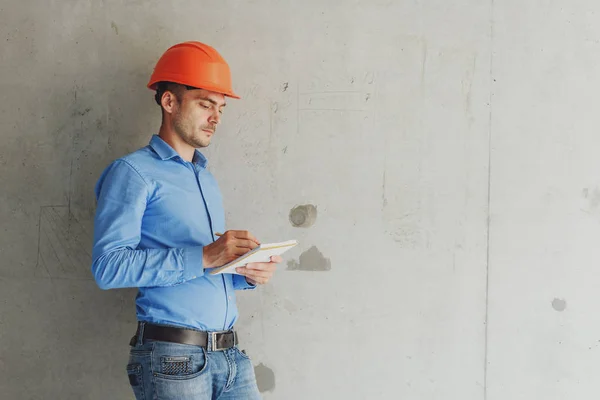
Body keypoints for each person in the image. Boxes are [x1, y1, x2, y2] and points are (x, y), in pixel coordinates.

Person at [91, 41, 280, 399]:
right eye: (205, 104)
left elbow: (197, 270)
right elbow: (108, 267)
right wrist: (206, 255)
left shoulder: (204, 177)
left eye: (221, 108)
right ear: (169, 102)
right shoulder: (132, 173)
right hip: (173, 359)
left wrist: (244, 271)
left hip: (230, 356)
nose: (216, 117)